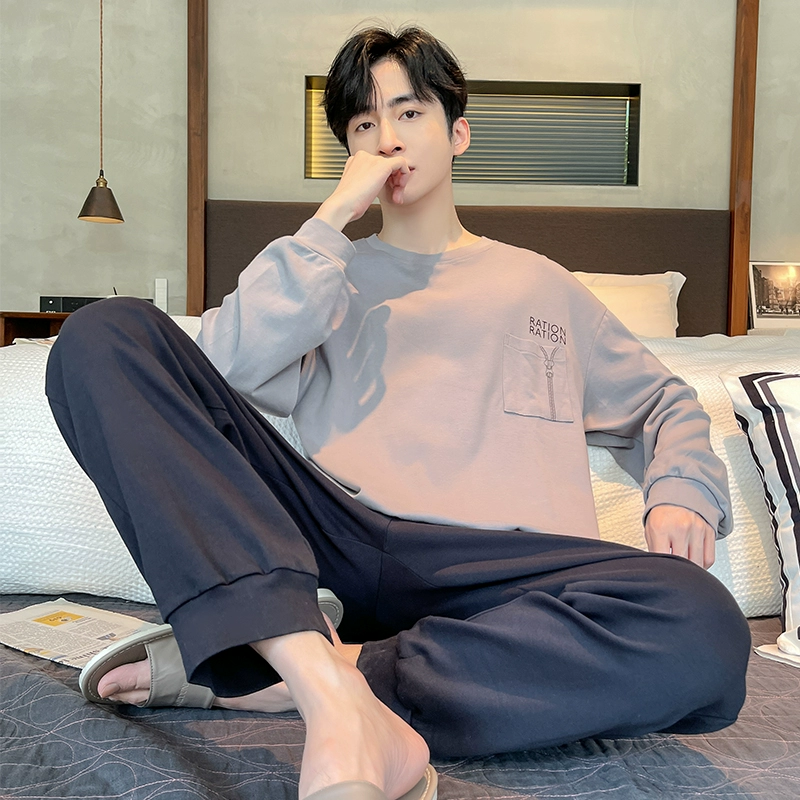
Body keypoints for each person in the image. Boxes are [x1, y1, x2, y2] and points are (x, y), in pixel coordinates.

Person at [46, 26, 751, 800]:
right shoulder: (323, 274)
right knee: (102, 335)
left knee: (702, 623)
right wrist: (331, 221)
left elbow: (662, 402)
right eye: (363, 124)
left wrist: (681, 487)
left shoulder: (541, 285)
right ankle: (313, 668)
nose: (387, 138)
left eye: (409, 113)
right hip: (341, 544)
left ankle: (302, 671)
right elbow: (216, 372)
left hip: (504, 579)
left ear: (458, 133)